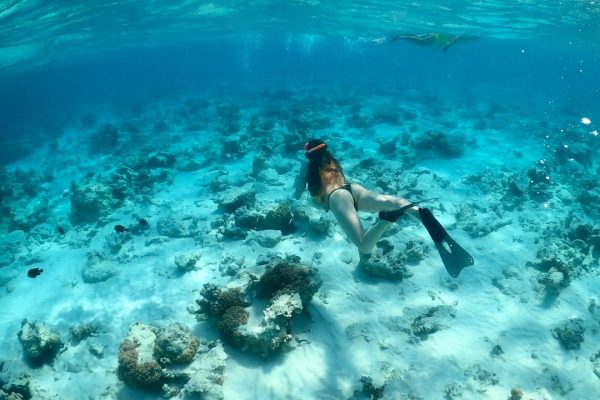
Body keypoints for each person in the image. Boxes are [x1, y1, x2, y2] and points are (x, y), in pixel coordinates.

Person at [295, 139, 474, 277]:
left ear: (308, 154)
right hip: (353, 189)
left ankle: (386, 219)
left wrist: (299, 188)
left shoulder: (306, 167)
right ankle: (420, 213)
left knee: (364, 245)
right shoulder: (332, 160)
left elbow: (297, 193)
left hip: (337, 198)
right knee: (395, 201)